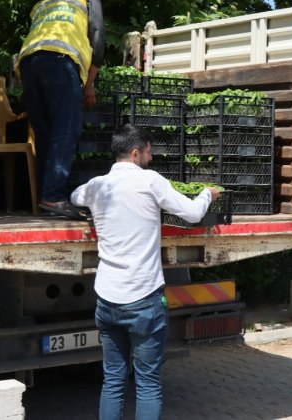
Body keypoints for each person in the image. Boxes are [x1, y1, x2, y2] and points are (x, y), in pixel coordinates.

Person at [70, 124, 220, 420]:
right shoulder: (149, 181)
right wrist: (206, 194)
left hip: (107, 300)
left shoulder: (98, 186)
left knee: (112, 381)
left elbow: (75, 196)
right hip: (143, 301)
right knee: (147, 384)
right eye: (149, 151)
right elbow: (191, 213)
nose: (151, 157)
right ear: (136, 153)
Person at [16, 0, 105, 219]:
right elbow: (97, 42)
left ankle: (46, 198)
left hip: (28, 64)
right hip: (59, 61)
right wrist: (89, 85)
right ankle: (54, 196)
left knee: (45, 133)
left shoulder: (47, 2)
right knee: (66, 129)